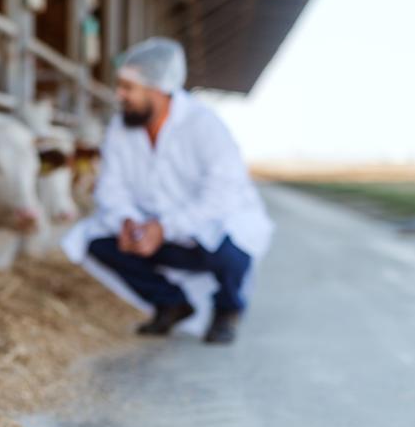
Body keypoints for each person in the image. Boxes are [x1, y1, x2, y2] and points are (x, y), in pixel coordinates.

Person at [61, 38, 273, 344]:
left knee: (232, 248)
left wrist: (165, 227)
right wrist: (128, 221)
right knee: (93, 240)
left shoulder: (204, 125)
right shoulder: (121, 129)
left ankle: (228, 310)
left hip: (204, 229)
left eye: (127, 88)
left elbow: (222, 194)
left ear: (156, 90)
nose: (119, 95)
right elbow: (111, 187)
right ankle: (171, 302)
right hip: (151, 231)